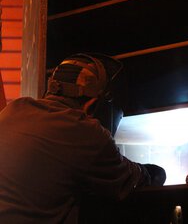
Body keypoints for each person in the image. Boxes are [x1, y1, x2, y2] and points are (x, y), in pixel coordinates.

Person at [0, 53, 166, 223]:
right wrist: (156, 173)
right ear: (92, 104)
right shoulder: (86, 131)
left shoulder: (13, 109)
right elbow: (129, 180)